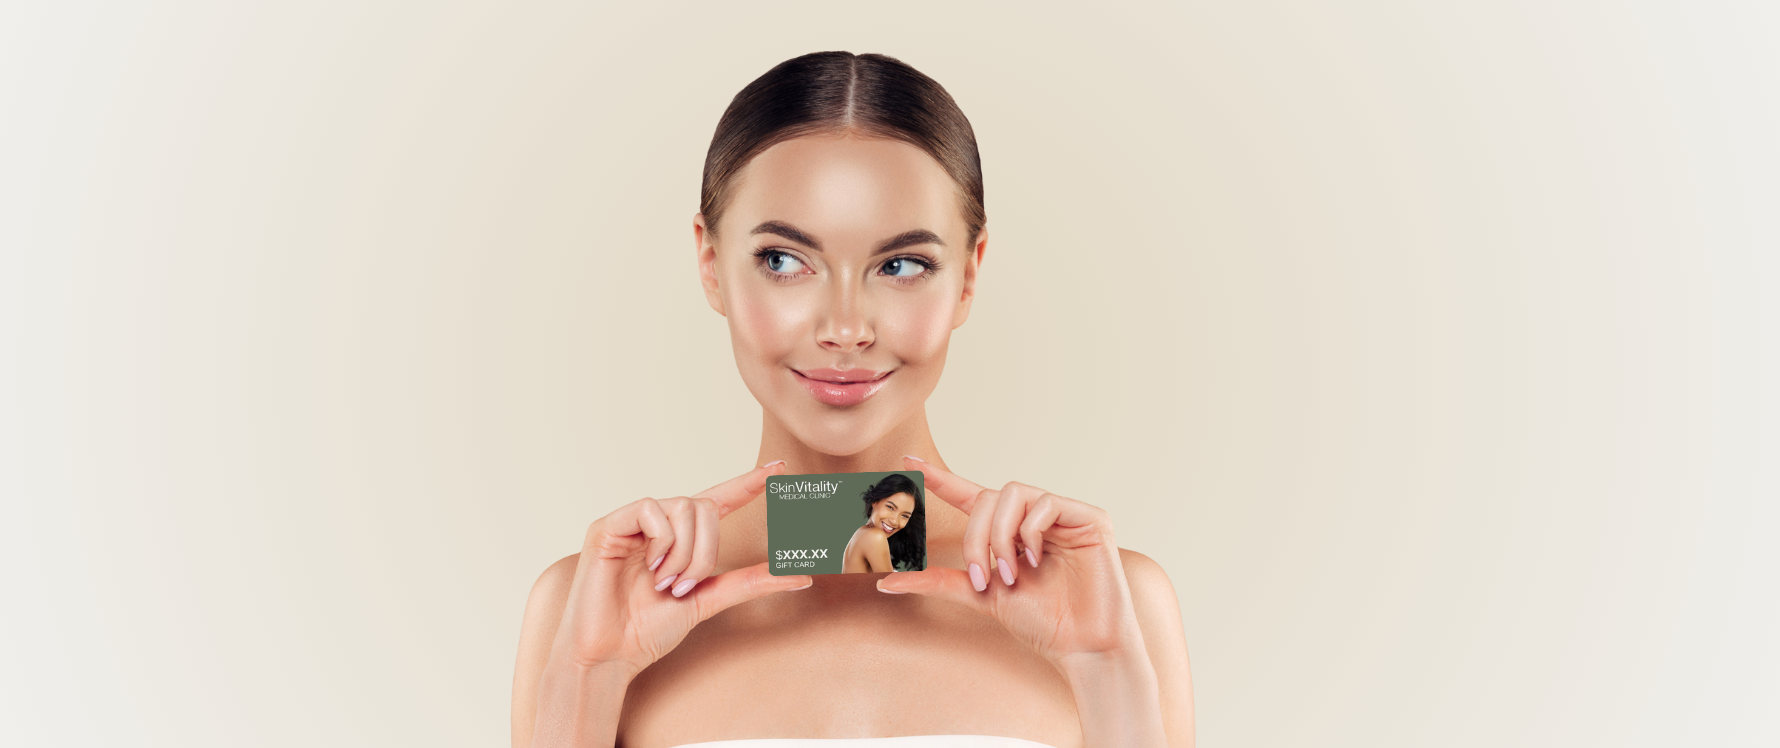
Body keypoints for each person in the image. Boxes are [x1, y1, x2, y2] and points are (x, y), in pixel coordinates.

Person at [511, 51, 1194, 748]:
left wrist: (1106, 672)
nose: (845, 329)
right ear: (711, 265)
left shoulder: (1113, 602)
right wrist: (587, 679)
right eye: (784, 261)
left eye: (902, 266)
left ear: (968, 276)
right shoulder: (587, 610)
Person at [841, 473, 925, 574]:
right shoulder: (874, 536)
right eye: (890, 507)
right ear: (875, 501)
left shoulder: (862, 533)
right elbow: (891, 589)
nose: (894, 521)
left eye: (905, 516)